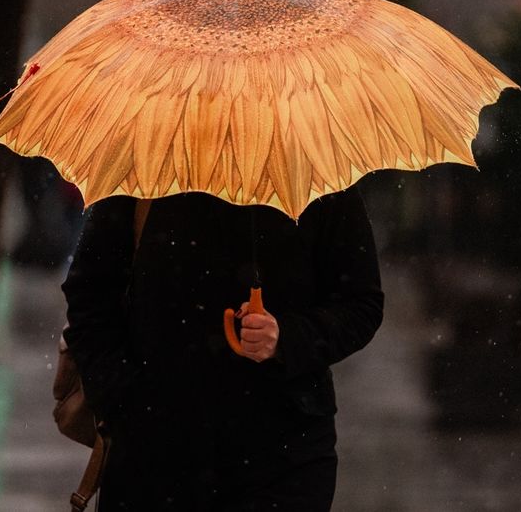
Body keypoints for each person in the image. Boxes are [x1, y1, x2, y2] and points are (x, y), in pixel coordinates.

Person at [61, 188, 383, 511]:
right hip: (154, 457)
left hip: (283, 456)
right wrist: (124, 400)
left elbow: (360, 304)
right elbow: (90, 295)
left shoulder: (311, 171)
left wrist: (285, 337)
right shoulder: (148, 165)